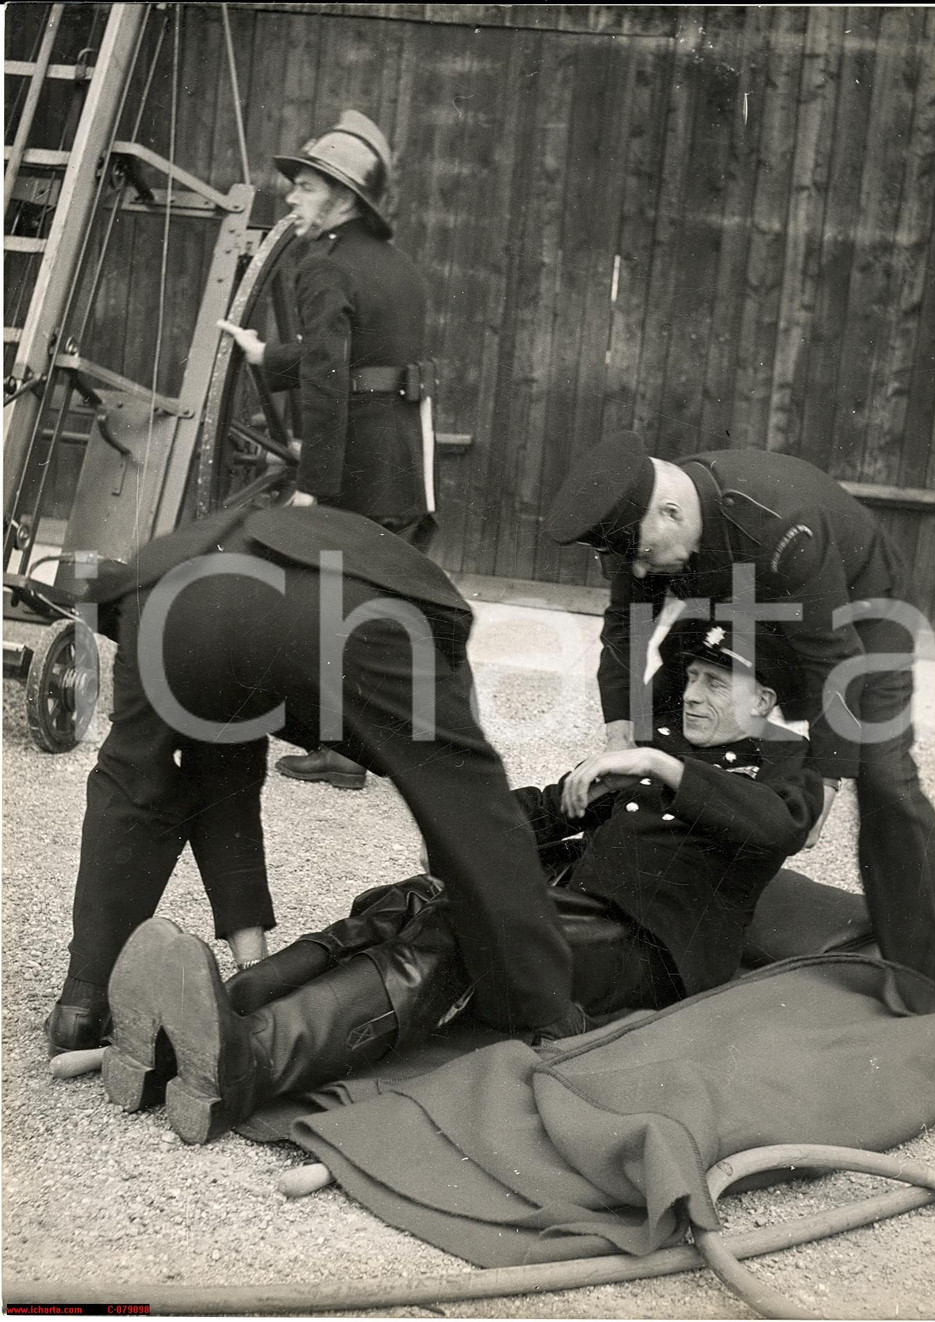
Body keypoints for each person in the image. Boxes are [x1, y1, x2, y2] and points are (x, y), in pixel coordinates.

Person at [100, 622, 823, 1144]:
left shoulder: (781, 774)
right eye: (691, 676)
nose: (691, 693)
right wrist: (457, 812)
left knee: (468, 926)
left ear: (763, 701)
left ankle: (246, 1062)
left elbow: (774, 827)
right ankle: (198, 1024)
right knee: (404, 902)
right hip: (575, 908)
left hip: (642, 953)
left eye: (715, 681)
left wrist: (659, 768)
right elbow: (541, 811)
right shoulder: (659, 752)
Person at [45, 502, 578, 1058]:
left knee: (134, 787)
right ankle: (543, 1016)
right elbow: (472, 809)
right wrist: (448, 844)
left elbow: (223, 786)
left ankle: (81, 1005)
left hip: (167, 599)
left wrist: (253, 969)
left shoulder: (152, 576)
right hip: (333, 612)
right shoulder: (434, 628)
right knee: (471, 811)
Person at [544, 431, 935, 1015]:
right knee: (666, 722)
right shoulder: (643, 524)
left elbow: (832, 658)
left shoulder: (780, 524)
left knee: (883, 778)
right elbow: (625, 627)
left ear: (672, 512)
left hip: (856, 624)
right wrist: (622, 733)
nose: (641, 572)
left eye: (644, 556)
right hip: (742, 605)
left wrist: (826, 780)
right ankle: (632, 892)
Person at [219, 109, 435, 790]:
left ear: (342, 197)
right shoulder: (398, 267)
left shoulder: (324, 266)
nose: (292, 197)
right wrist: (268, 354)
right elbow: (354, 353)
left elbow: (331, 376)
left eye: (305, 186)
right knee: (384, 599)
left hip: (355, 462)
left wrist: (314, 481)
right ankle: (405, 741)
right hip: (402, 451)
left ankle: (342, 752)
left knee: (325, 599)